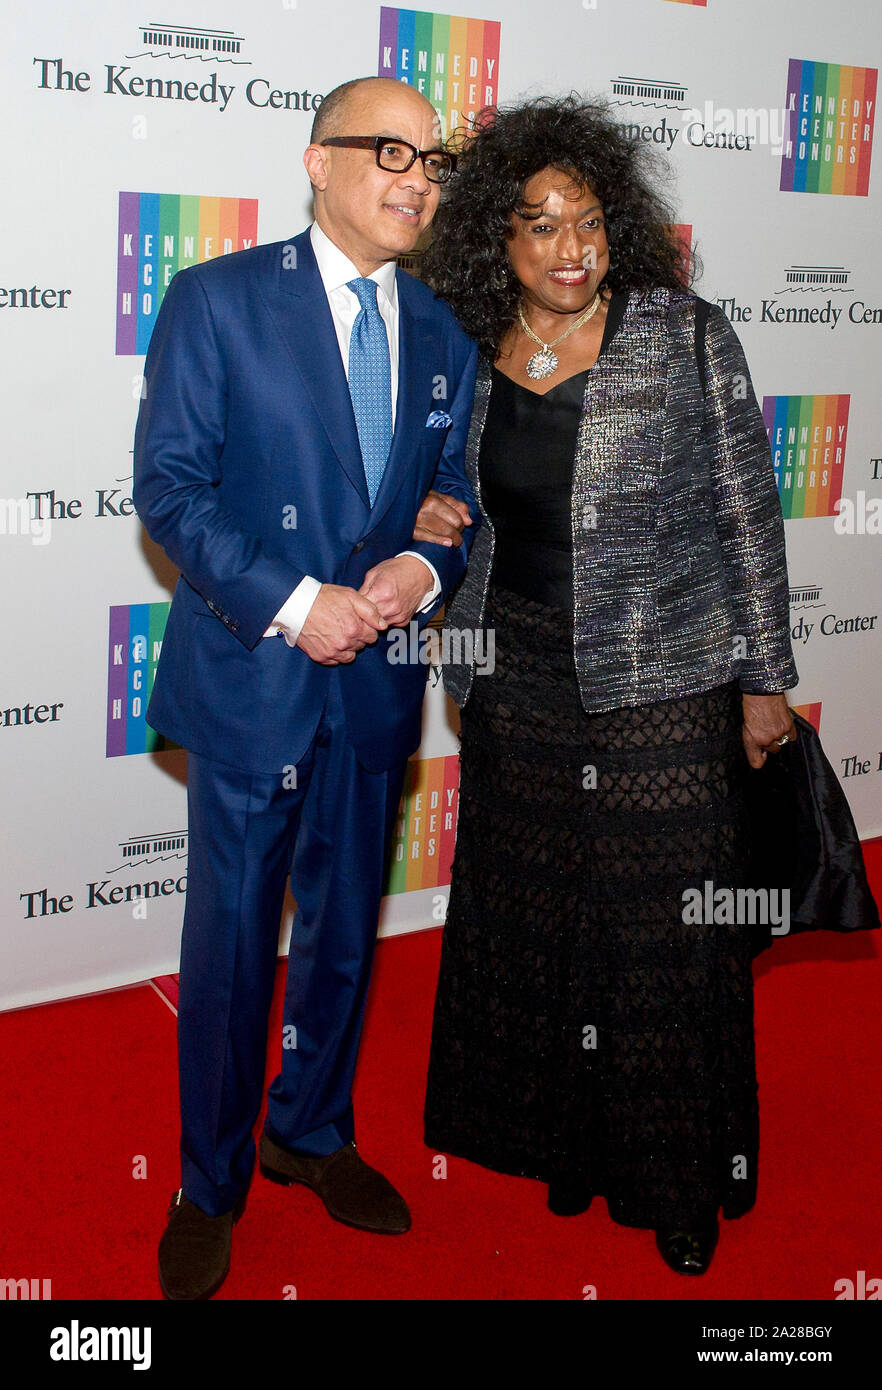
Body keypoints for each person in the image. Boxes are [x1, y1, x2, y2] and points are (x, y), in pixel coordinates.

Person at [414, 96, 798, 1276]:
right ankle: (572, 1148)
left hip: (666, 676)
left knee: (662, 933)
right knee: (547, 921)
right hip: (517, 672)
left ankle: (680, 1179)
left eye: (587, 222)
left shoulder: (684, 335)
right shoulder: (476, 354)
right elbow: (463, 518)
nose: (569, 246)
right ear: (499, 241)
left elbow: (748, 514)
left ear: (614, 228)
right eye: (540, 225)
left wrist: (764, 679)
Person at [133, 76, 479, 1300]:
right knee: (231, 945)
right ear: (314, 160)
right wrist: (299, 600)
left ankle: (310, 1130)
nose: (417, 177)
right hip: (253, 683)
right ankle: (207, 1179)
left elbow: (454, 499)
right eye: (389, 150)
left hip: (379, 687)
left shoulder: (443, 330)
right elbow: (170, 488)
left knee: (341, 938)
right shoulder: (218, 301)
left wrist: (421, 568)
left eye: (433, 160)